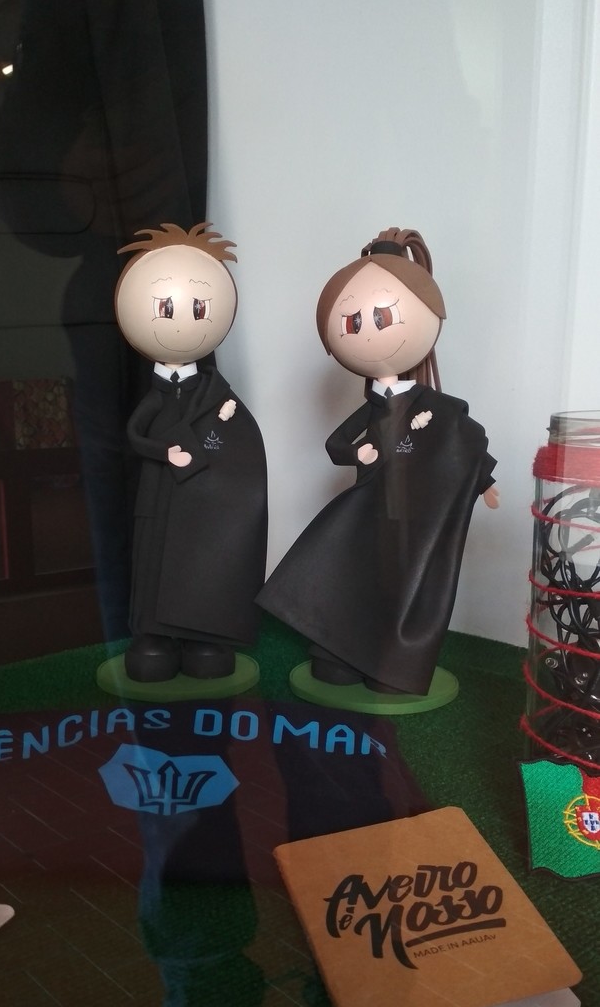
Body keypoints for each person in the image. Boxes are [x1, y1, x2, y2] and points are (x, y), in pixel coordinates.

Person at [258, 227, 498, 696]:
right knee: (354, 573)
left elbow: (465, 442)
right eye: (352, 323)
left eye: (383, 317)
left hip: (414, 515)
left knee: (401, 582)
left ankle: (390, 660)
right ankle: (341, 648)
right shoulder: (371, 408)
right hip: (369, 508)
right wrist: (356, 452)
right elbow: (335, 443)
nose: (367, 331)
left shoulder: (438, 407)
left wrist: (485, 480)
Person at [115, 223, 268, 682]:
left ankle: (204, 633)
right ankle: (154, 636)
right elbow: (134, 436)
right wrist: (167, 453)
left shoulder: (217, 394)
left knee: (201, 562)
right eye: (166, 307)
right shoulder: (156, 395)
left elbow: (241, 450)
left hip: (203, 504)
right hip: (158, 498)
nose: (183, 320)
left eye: (199, 307)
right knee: (154, 561)